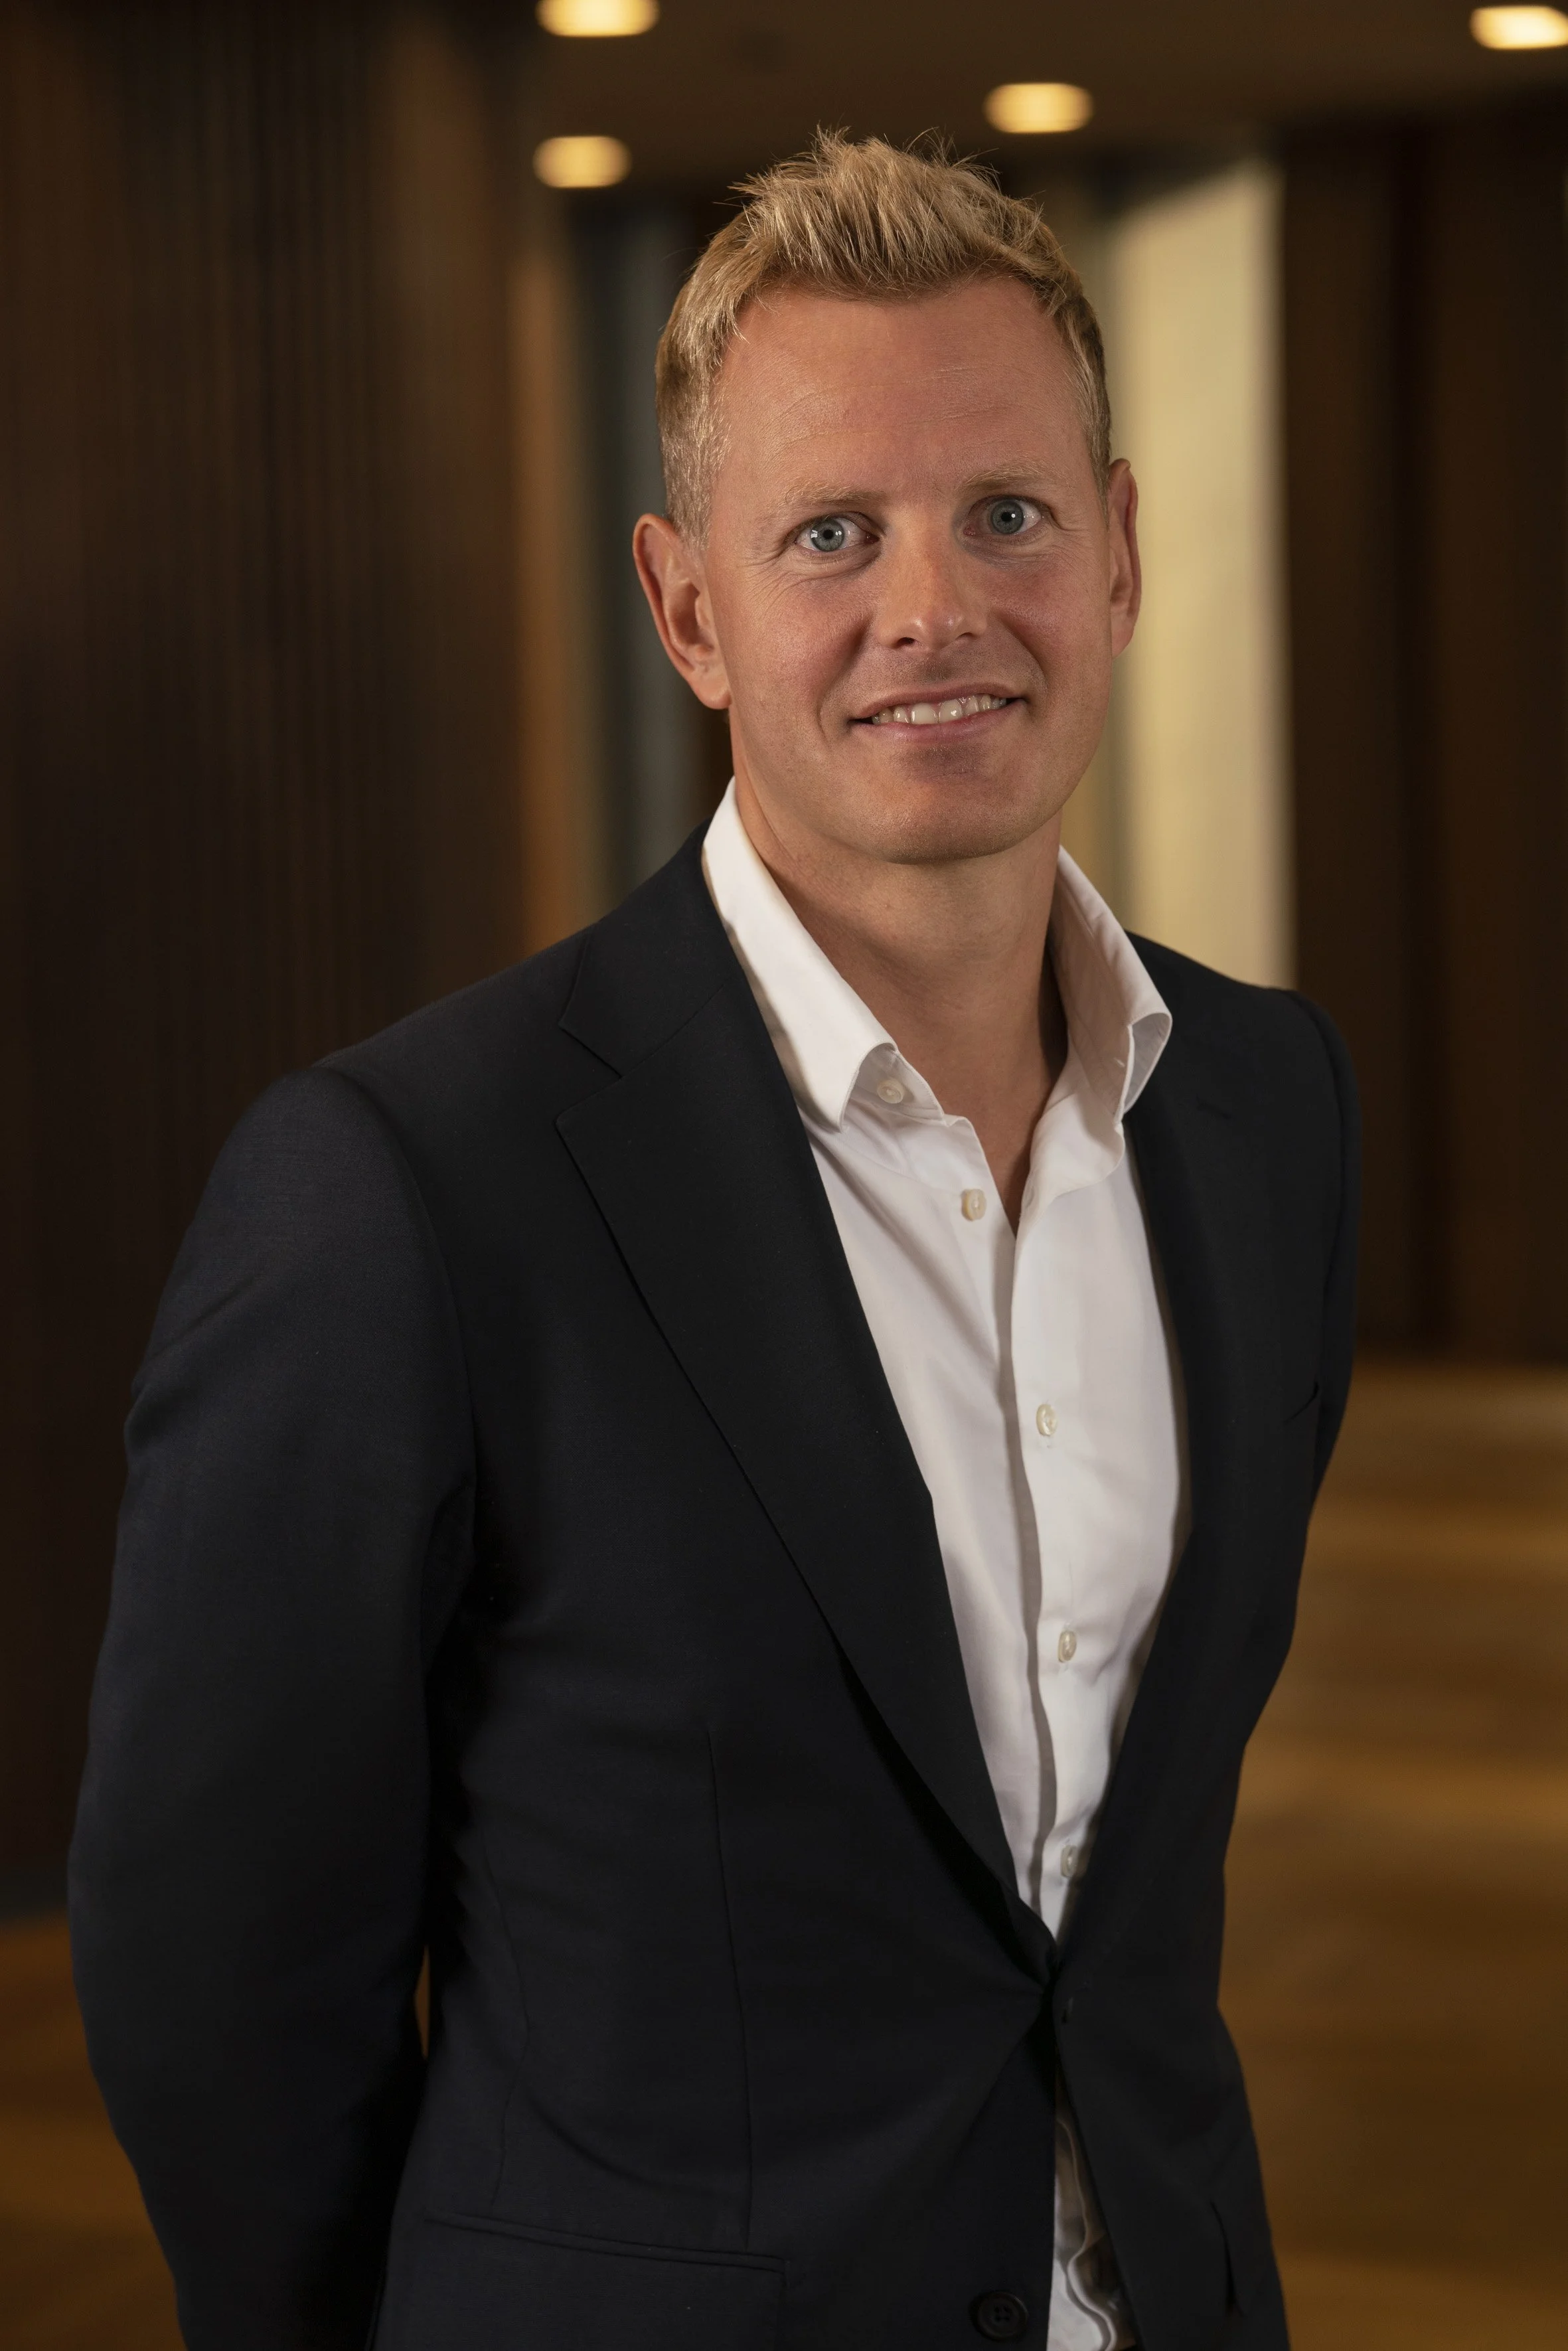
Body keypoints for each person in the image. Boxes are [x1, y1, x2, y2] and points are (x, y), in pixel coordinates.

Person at [70, 133, 1358, 2351]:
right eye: (833, 533)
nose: (933, 606)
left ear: (1123, 556)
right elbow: (214, 1976)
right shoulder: (401, 1184)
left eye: (1011, 514)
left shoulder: (1265, 1112)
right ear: (689, 608)